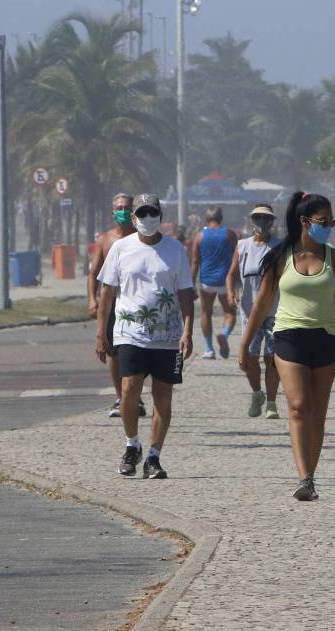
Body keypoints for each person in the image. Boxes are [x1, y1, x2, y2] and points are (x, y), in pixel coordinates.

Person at [238, 192, 335, 501]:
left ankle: (311, 476)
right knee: (299, 405)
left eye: (331, 222)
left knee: (318, 412)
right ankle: (303, 477)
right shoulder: (281, 256)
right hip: (289, 338)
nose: (328, 226)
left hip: (327, 339)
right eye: (323, 221)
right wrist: (245, 345)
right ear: (304, 222)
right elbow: (262, 302)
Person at [96, 194, 194, 480]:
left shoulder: (175, 250)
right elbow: (107, 292)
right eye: (142, 213)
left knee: (163, 396)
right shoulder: (120, 248)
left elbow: (186, 293)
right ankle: (132, 444)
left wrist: (188, 330)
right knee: (129, 390)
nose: (147, 218)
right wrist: (100, 333)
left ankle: (154, 455)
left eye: (152, 212)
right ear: (135, 217)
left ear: (160, 216)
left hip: (167, 336)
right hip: (130, 333)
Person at [88, 194, 146, 419]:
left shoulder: (142, 238)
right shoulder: (105, 241)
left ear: (133, 212)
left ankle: (134, 394)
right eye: (119, 208)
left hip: (137, 302)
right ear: (113, 212)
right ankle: (121, 397)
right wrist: (92, 299)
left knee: (138, 352)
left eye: (127, 207)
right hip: (112, 302)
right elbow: (93, 274)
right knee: (114, 353)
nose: (123, 211)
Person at [226, 204, 281, 419]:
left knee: (272, 358)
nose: (262, 222)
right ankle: (257, 393)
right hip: (249, 311)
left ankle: (272, 402)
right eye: (258, 218)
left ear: (272, 222)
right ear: (251, 220)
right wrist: (231, 292)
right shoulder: (243, 246)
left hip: (275, 310)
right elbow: (231, 274)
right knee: (249, 358)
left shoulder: (280, 246)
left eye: (266, 218)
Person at [191, 206, 239, 359]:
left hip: (206, 281)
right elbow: (236, 257)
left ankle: (209, 349)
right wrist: (237, 280)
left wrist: (191, 283)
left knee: (206, 312)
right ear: (221, 217)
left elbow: (195, 261)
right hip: (226, 281)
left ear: (207, 218)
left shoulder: (199, 236)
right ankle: (224, 334)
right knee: (230, 312)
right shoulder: (230, 234)